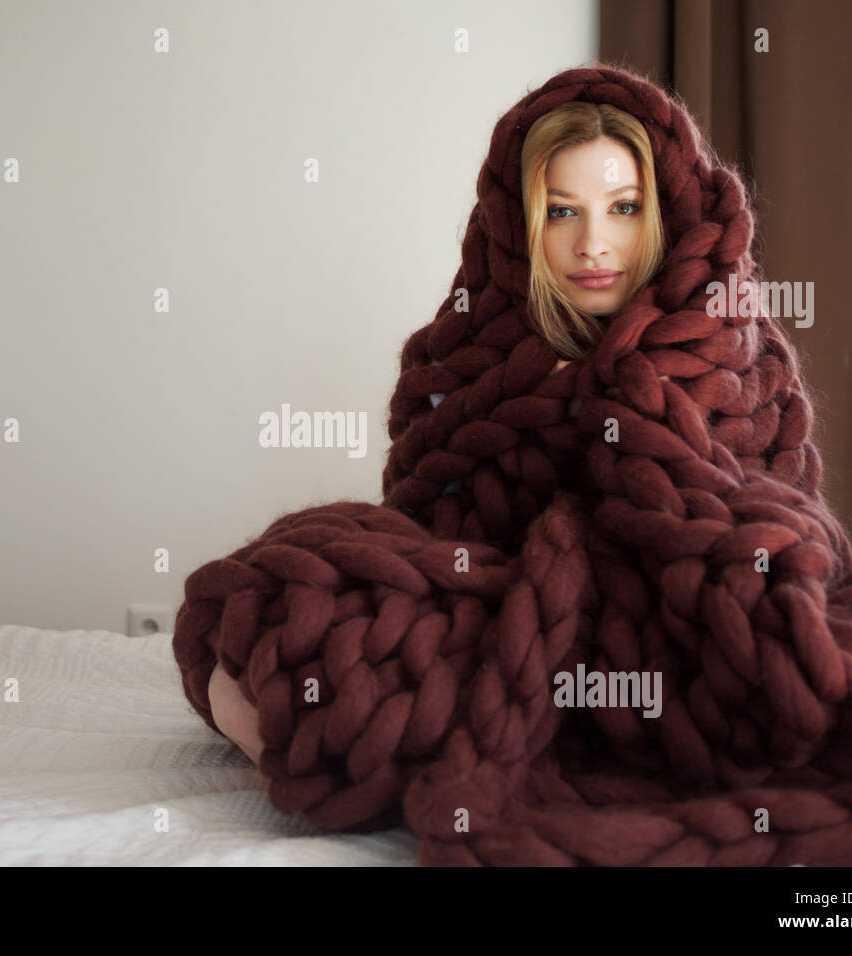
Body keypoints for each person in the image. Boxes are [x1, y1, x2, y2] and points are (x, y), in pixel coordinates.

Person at [209, 99, 671, 765]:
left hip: (639, 630)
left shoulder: (725, 360)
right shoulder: (457, 360)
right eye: (563, 210)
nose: (594, 243)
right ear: (519, 224)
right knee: (265, 598)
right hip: (479, 606)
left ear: (659, 215)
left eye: (623, 207)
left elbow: (753, 513)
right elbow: (422, 527)